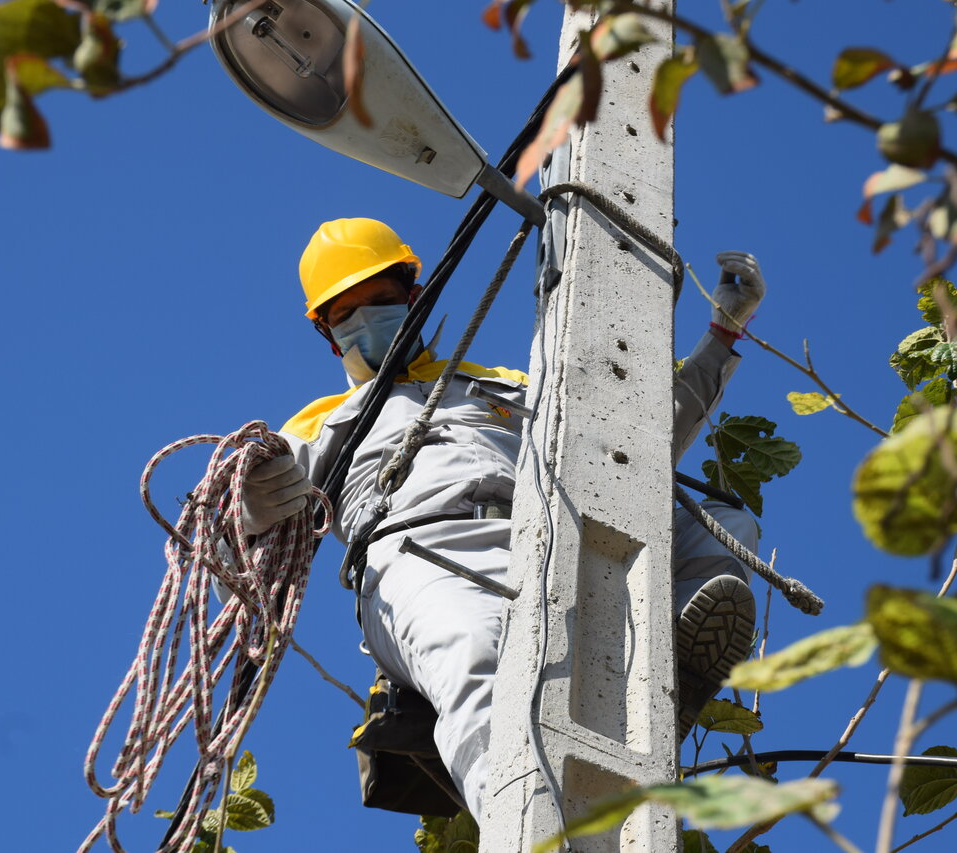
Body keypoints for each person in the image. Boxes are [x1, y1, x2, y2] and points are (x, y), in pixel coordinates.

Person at [240, 217, 764, 821]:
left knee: (722, 526)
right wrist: (249, 509)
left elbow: (632, 444)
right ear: (329, 335)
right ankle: (522, 829)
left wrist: (722, 335)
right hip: (427, 556)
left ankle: (661, 677)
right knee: (480, 671)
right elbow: (238, 525)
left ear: (416, 298)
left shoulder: (507, 386)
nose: (366, 321)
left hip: (547, 532)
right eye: (345, 314)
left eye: (381, 301)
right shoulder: (320, 423)